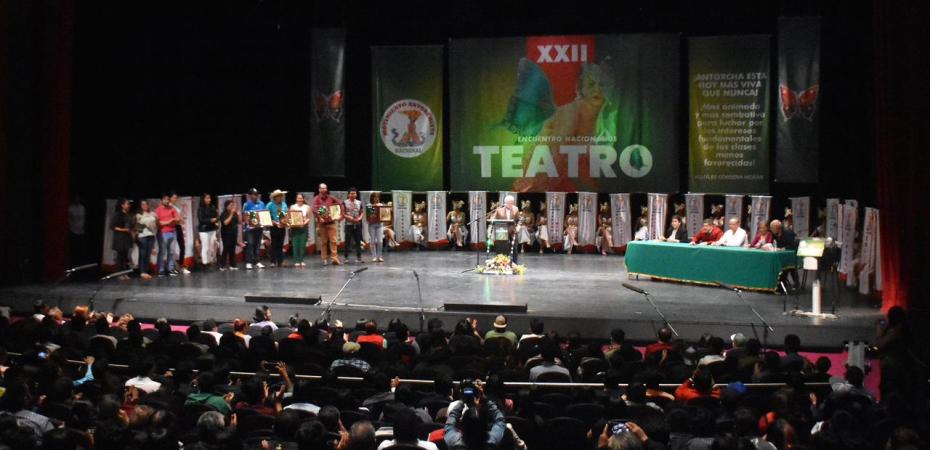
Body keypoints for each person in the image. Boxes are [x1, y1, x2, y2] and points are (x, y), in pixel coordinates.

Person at [312, 183, 343, 266]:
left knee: (333, 241)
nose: (324, 190)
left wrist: (340, 215)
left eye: (325, 188)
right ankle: (324, 259)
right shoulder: (316, 199)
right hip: (322, 224)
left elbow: (340, 204)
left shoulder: (331, 197)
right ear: (319, 189)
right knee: (324, 242)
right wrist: (319, 217)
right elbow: (314, 209)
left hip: (331, 222)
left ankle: (334, 259)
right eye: (322, 188)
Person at [155, 194, 180, 277]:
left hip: (173, 232)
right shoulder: (158, 210)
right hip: (163, 233)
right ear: (161, 200)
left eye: (168, 199)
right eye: (165, 199)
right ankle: (161, 269)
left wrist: (173, 220)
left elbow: (178, 219)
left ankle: (170, 269)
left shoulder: (172, 208)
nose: (167, 201)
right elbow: (158, 223)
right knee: (162, 252)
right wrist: (169, 221)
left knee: (171, 251)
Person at [242, 188, 266, 270]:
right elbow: (244, 216)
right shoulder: (246, 204)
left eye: (256, 194)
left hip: (259, 227)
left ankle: (257, 261)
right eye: (254, 194)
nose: (255, 196)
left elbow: (264, 214)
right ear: (250, 195)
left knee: (258, 245)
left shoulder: (262, 203)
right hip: (250, 229)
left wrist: (264, 222)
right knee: (250, 244)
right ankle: (249, 262)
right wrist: (248, 223)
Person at [110, 198, 134, 278]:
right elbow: (112, 226)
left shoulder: (129, 215)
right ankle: (119, 274)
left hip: (127, 238)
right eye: (127, 204)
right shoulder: (117, 214)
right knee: (120, 257)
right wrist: (124, 230)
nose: (129, 205)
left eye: (129, 204)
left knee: (125, 257)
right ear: (122, 205)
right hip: (119, 238)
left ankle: (125, 273)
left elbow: (131, 226)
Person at [169, 192, 191, 274]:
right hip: (172, 227)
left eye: (176, 198)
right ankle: (172, 267)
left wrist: (181, 218)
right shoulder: (169, 207)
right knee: (172, 248)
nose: (175, 199)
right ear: (170, 198)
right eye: (174, 198)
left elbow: (179, 217)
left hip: (178, 227)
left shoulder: (176, 206)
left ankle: (181, 265)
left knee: (182, 246)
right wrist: (178, 219)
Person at [135, 199, 157, 279]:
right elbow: (138, 228)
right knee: (143, 254)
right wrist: (145, 225)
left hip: (151, 235)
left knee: (148, 254)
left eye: (146, 204)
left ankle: (146, 271)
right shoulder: (139, 215)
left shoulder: (152, 214)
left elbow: (155, 225)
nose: (144, 206)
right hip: (142, 236)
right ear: (141, 206)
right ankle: (142, 272)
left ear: (148, 205)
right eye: (143, 204)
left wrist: (152, 225)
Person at [267, 189, 289, 268]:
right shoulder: (270, 205)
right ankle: (273, 261)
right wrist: (272, 221)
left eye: (281, 196)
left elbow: (286, 215)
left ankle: (280, 261)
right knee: (274, 244)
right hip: (274, 226)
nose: (280, 197)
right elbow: (266, 215)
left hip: (282, 226)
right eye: (279, 196)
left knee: (280, 244)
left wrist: (285, 222)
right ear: (275, 197)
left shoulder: (284, 204)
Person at [197, 193, 219, 269]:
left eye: (209, 198)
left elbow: (216, 217)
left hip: (212, 229)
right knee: (205, 246)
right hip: (204, 230)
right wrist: (210, 220)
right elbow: (201, 220)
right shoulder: (200, 209)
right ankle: (204, 262)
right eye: (207, 198)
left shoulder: (212, 207)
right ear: (203, 199)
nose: (209, 199)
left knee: (211, 246)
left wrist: (216, 221)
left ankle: (209, 261)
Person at [343, 188, 364, 263]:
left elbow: (362, 212)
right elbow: (343, 213)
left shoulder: (359, 202)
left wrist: (360, 218)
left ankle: (359, 257)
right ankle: (346, 257)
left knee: (358, 241)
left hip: (357, 224)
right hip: (348, 224)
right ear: (348, 194)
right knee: (347, 241)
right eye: (351, 193)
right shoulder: (345, 202)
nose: (353, 195)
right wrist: (349, 218)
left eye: (354, 193)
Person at [218, 200, 240, 271]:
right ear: (226, 206)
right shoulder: (223, 214)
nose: (232, 207)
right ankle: (222, 265)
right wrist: (231, 214)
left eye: (233, 205)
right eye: (231, 205)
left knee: (232, 250)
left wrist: (238, 215)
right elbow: (225, 223)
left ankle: (232, 265)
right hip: (226, 234)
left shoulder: (235, 213)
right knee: (226, 249)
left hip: (234, 233)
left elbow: (239, 222)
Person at [290, 193, 310, 267]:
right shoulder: (292, 207)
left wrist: (303, 224)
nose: (299, 199)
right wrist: (293, 223)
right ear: (296, 199)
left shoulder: (307, 207)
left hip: (303, 228)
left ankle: (301, 260)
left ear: (303, 199)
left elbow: (308, 218)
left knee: (302, 244)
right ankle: (296, 260)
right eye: (298, 198)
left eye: (301, 198)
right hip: (294, 228)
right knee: (295, 244)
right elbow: (290, 217)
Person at [366, 192, 386, 263]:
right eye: (375, 197)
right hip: (372, 225)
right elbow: (369, 216)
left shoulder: (381, 205)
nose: (376, 198)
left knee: (380, 241)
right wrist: (370, 218)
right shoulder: (369, 205)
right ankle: (374, 256)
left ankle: (380, 256)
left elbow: (384, 214)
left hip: (379, 225)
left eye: (377, 197)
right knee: (373, 241)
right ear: (372, 198)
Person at [68, 194, 86, 265]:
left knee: (80, 248)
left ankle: (80, 261)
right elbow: (68, 219)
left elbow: (84, 218)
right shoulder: (70, 208)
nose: (77, 200)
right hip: (73, 230)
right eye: (76, 198)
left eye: (78, 198)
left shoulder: (82, 207)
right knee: (74, 248)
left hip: (81, 231)